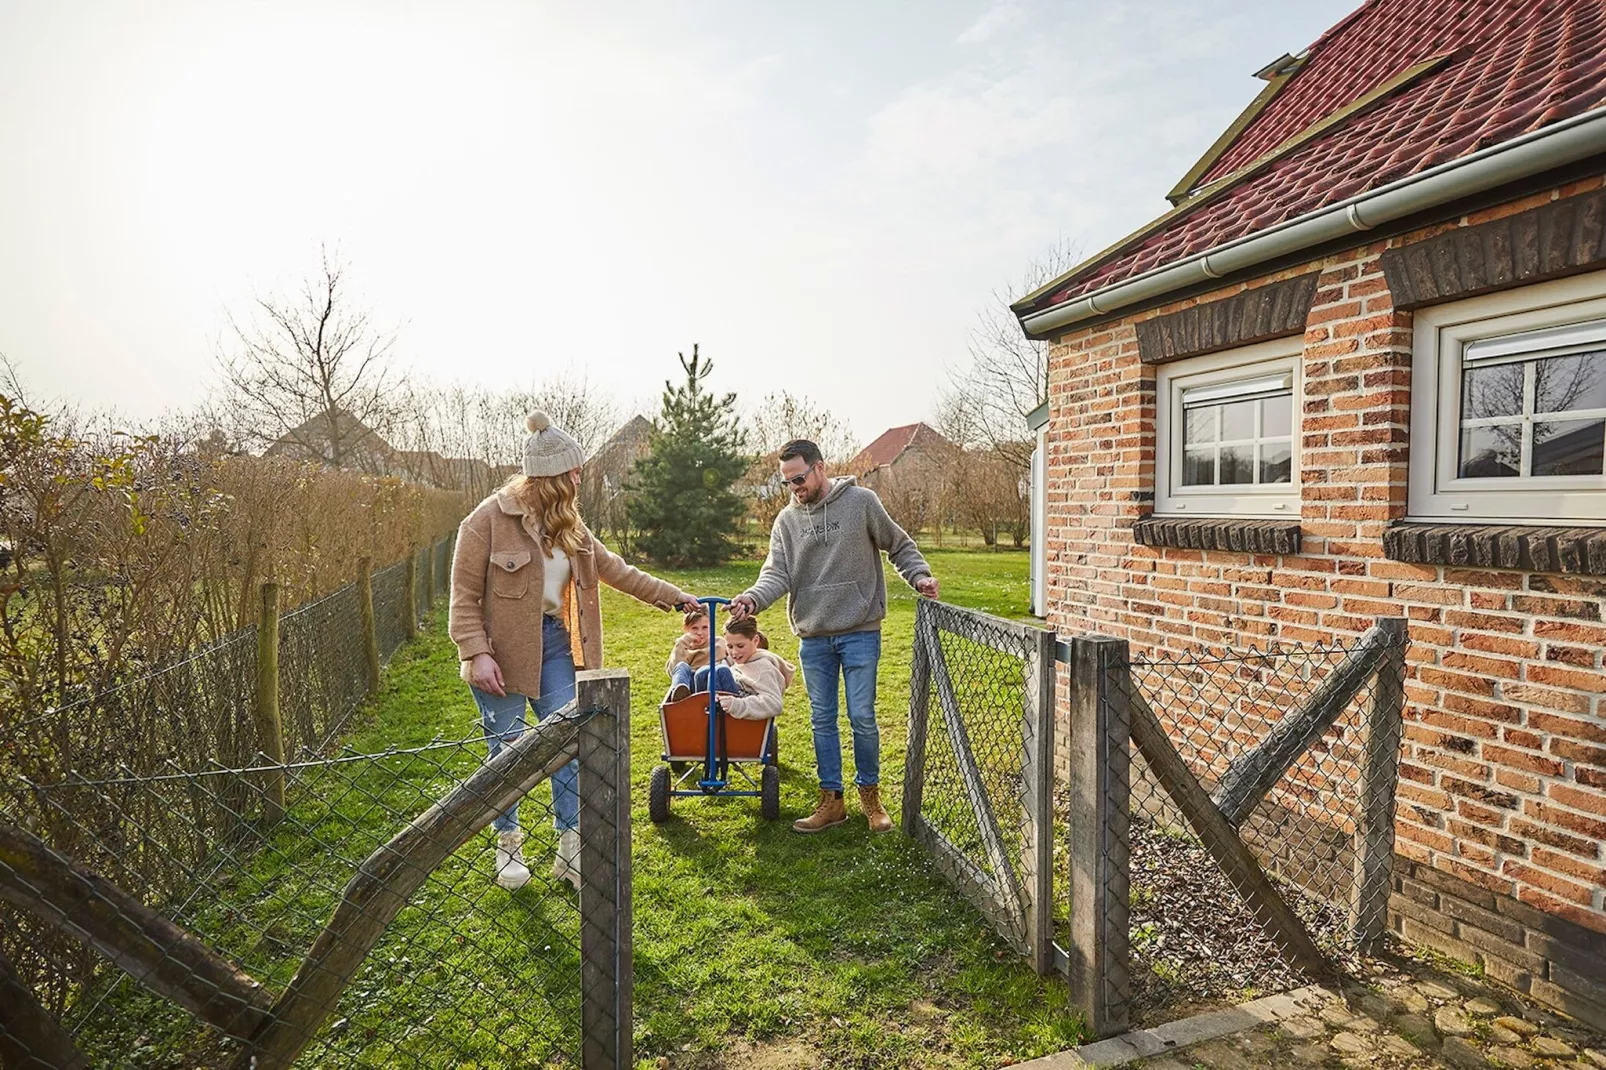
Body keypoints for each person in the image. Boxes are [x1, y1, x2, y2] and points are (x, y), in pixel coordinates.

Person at [450, 412, 698, 891]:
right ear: (550, 477)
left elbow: (618, 570)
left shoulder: (571, 527)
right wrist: (475, 652)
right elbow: (461, 597)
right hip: (497, 651)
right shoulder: (485, 521)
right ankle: (509, 847)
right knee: (505, 751)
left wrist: (674, 596)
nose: (580, 478)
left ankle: (570, 850)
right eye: (573, 472)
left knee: (567, 745)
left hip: (554, 645)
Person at [730, 438, 938, 833]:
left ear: (820, 468)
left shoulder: (861, 502)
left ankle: (870, 799)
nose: (795, 488)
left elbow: (899, 545)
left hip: (860, 630)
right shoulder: (786, 522)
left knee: (862, 716)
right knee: (822, 720)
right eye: (787, 483)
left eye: (799, 478)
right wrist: (752, 600)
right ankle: (832, 801)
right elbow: (776, 574)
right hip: (814, 637)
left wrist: (920, 576)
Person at [714, 616, 795, 721]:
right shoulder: (742, 661)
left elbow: (774, 704)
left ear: (756, 640)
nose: (734, 652)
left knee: (720, 671)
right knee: (703, 673)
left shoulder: (763, 668)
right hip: (728, 710)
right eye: (730, 647)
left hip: (742, 720)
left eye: (740, 646)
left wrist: (737, 705)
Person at [665, 609, 728, 702]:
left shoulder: (719, 643)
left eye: (705, 627)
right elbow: (673, 670)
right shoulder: (684, 647)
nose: (700, 632)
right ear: (686, 629)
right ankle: (680, 695)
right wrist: (682, 642)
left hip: (711, 683)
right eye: (694, 628)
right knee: (681, 666)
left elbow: (732, 659)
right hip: (692, 688)